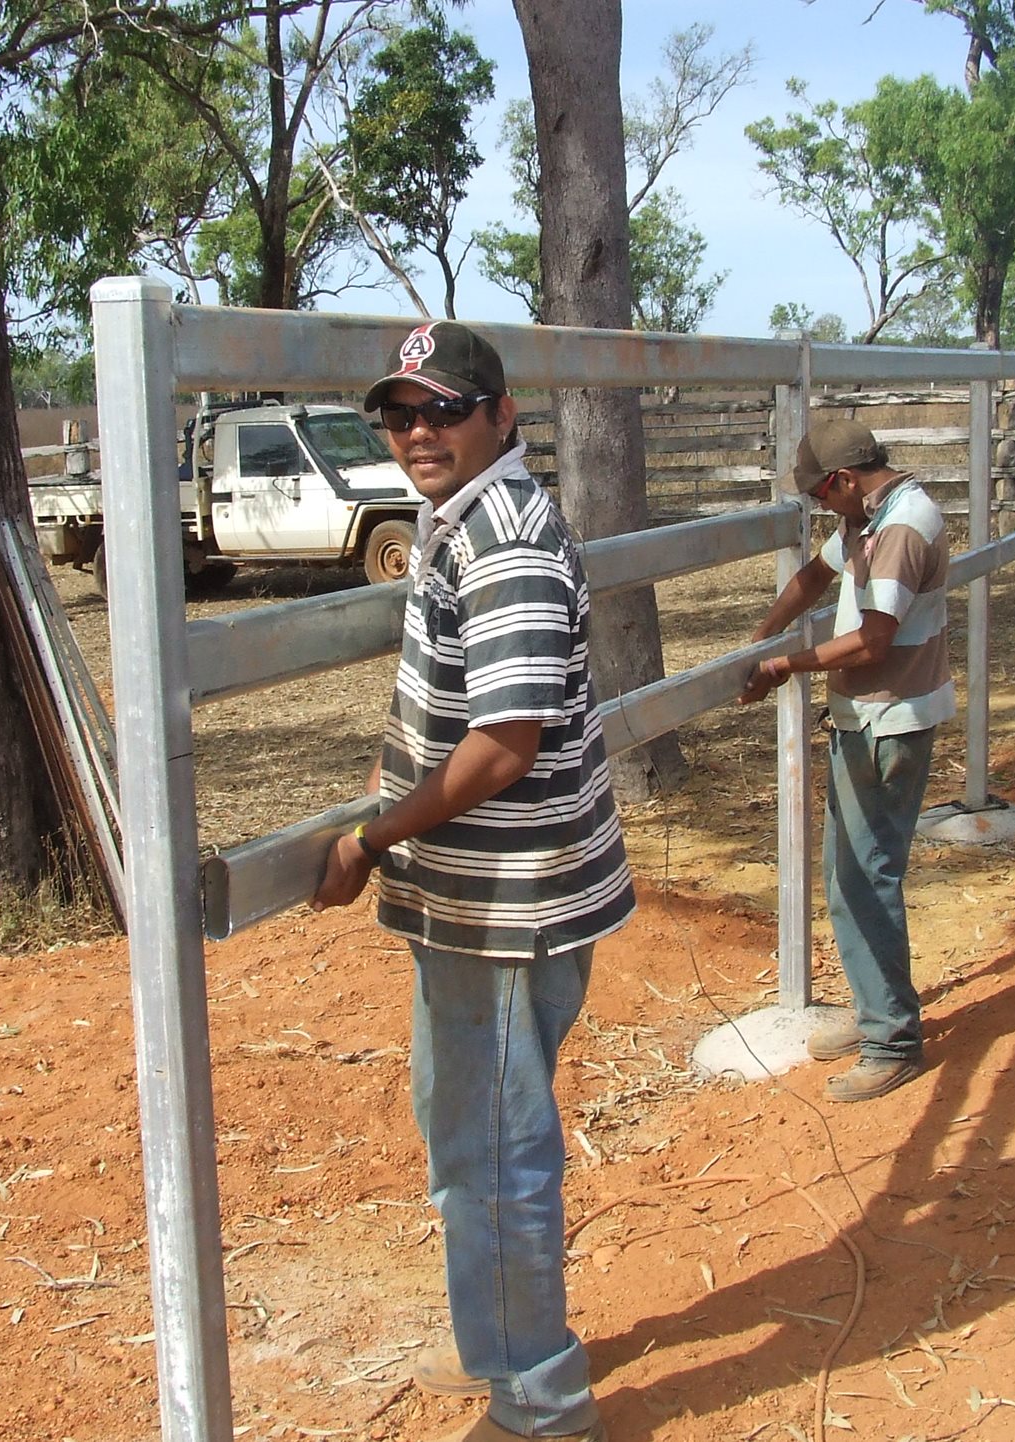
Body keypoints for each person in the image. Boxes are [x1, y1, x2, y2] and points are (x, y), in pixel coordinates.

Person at [312, 320, 631, 1442]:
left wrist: (372, 836)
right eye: (397, 413)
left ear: (502, 415)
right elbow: (461, 706)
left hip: (509, 902)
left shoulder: (505, 541)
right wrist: (395, 770)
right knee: (468, 1131)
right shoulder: (462, 520)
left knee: (496, 1152)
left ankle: (539, 1402)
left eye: (442, 409)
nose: (416, 432)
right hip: (481, 891)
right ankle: (500, 1342)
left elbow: (505, 742)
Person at [739, 418, 954, 1103]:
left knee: (866, 879)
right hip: (867, 716)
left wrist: (783, 665)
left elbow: (872, 640)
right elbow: (813, 575)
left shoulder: (897, 530)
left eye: (819, 498)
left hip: (890, 718)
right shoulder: (869, 516)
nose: (821, 511)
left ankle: (892, 1041)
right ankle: (874, 1014)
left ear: (842, 480)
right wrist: (762, 631)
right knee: (848, 875)